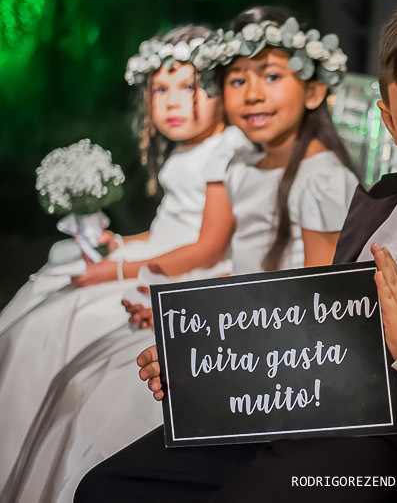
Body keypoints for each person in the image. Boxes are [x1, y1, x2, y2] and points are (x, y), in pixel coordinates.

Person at [76, 0, 397, 502]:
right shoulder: (379, 200)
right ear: (390, 121)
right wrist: (205, 361)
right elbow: (315, 322)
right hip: (304, 409)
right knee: (107, 488)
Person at [2, 6, 359, 503]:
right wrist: (181, 313)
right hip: (246, 330)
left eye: (272, 76)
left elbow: (318, 305)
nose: (252, 93)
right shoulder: (244, 167)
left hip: (282, 368)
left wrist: (204, 341)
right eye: (236, 81)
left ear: (314, 90)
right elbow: (245, 274)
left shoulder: (322, 180)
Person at [0, 25, 253, 482]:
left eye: (189, 87)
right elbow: (169, 227)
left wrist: (116, 268)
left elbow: (206, 245)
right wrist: (121, 244)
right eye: (161, 89)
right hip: (163, 253)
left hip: (192, 268)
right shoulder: (186, 150)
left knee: (69, 315)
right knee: (54, 287)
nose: (173, 102)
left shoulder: (226, 151)